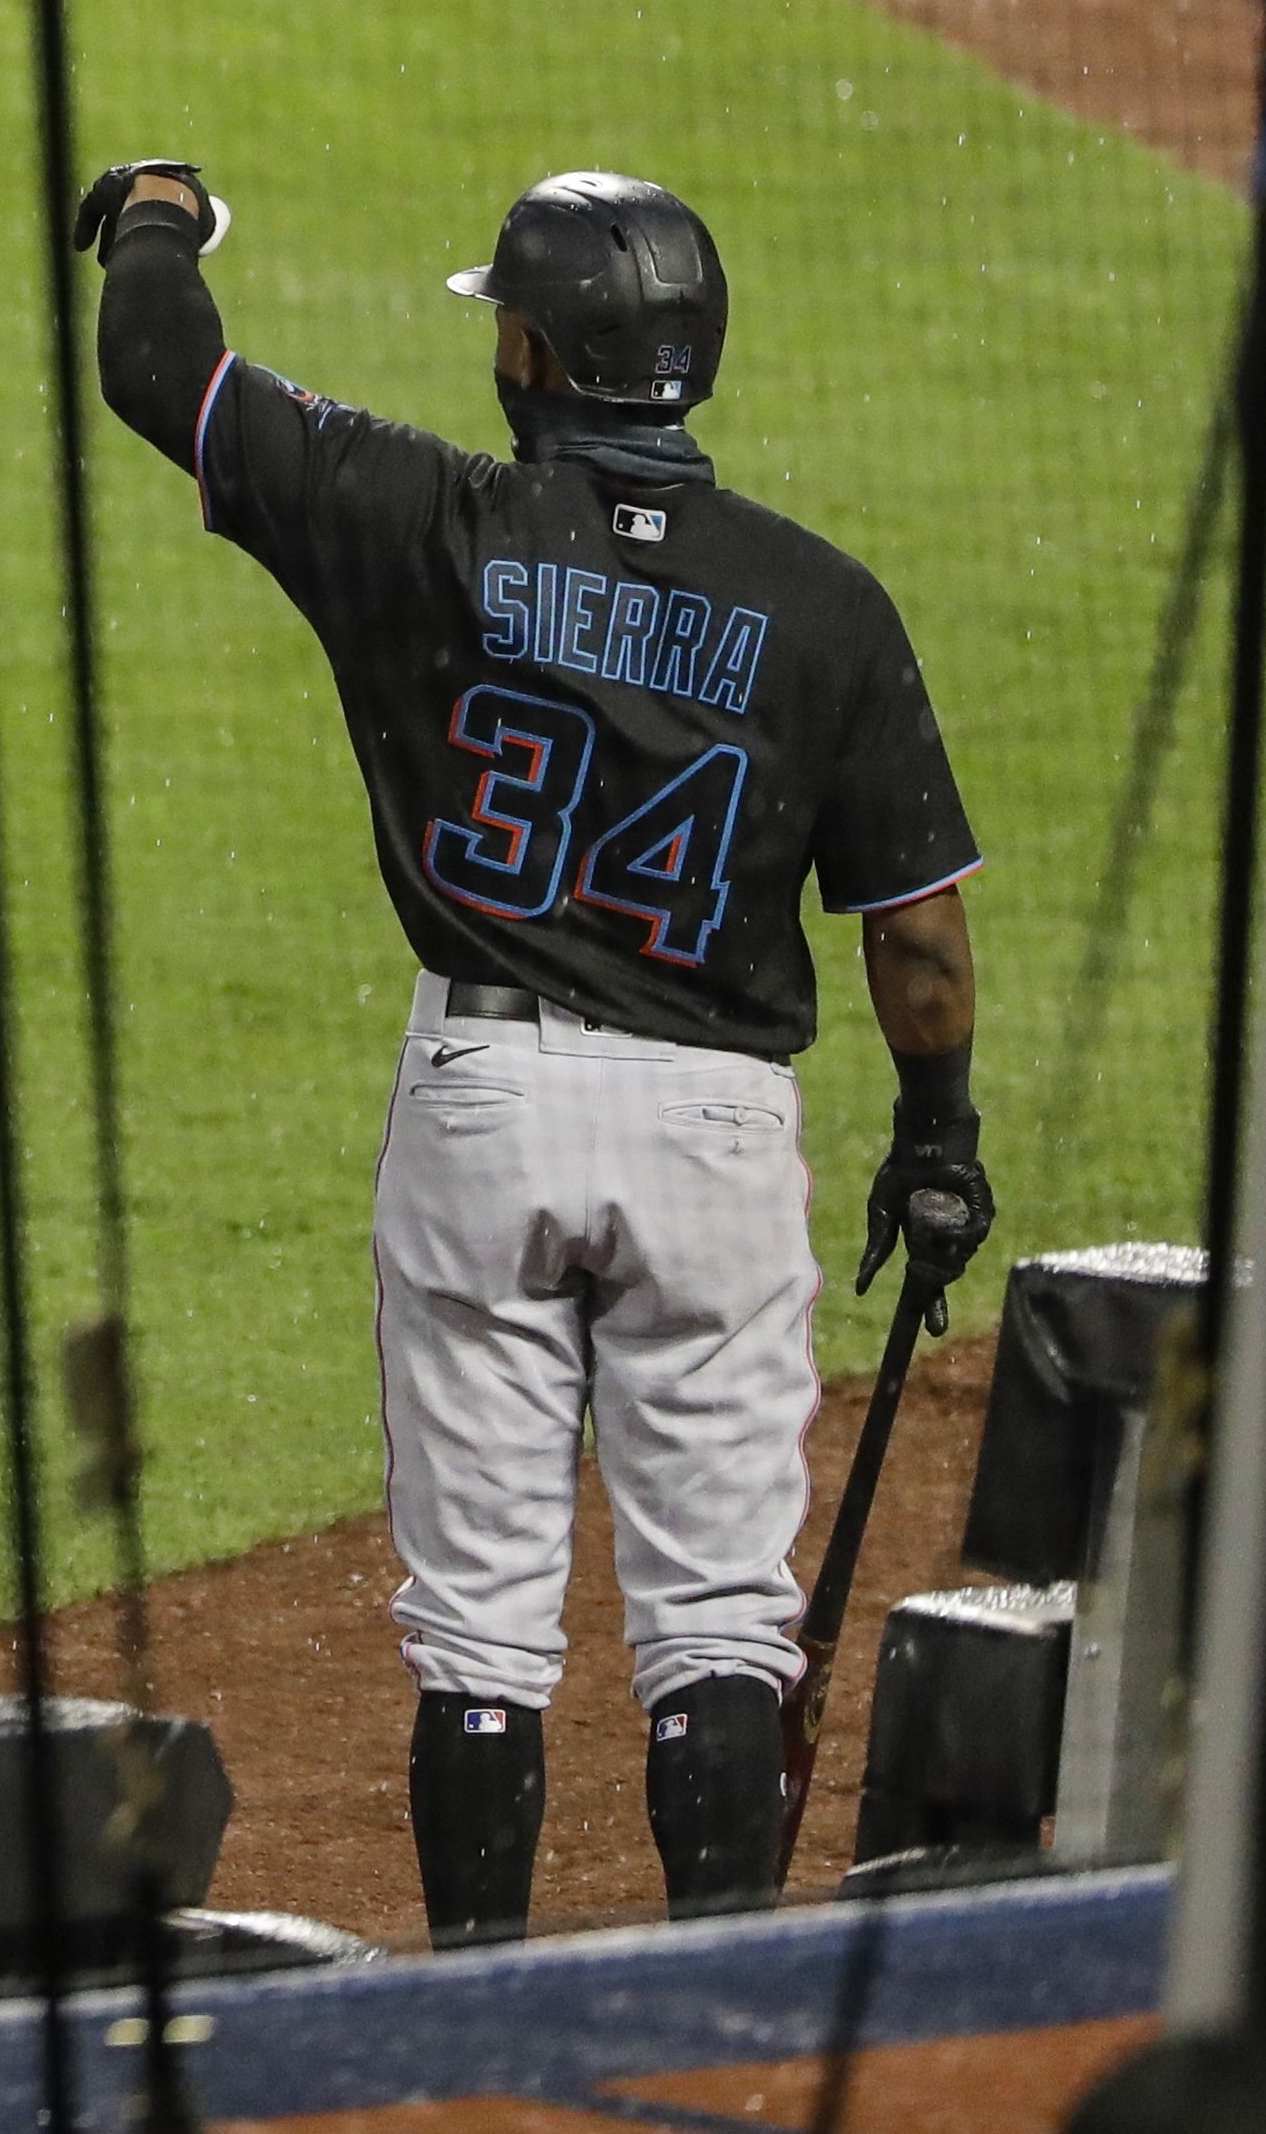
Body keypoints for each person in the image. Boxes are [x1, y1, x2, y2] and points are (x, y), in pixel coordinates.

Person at [78, 163, 988, 1943]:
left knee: (481, 1628)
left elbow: (160, 371)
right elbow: (920, 938)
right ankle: (715, 2011)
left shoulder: (418, 515)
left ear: (542, 358)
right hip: (719, 1128)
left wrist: (155, 215)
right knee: (722, 1617)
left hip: (483, 1105)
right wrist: (938, 1133)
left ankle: (474, 2011)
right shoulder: (828, 607)